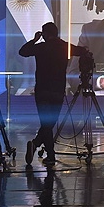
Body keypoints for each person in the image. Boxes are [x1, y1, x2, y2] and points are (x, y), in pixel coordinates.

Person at [18, 22, 86, 166]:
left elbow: (23, 52)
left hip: (42, 90)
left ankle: (38, 146)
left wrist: (35, 40)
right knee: (49, 123)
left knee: (46, 123)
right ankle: (49, 154)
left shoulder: (41, 47)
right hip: (57, 90)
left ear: (44, 34)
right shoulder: (64, 46)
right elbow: (81, 51)